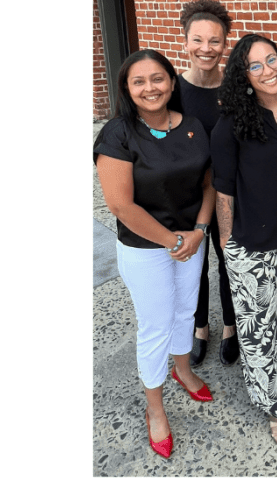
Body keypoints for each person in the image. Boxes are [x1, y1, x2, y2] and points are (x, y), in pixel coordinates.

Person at [94, 49, 216, 460]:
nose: (151, 88)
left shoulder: (194, 126)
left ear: (171, 81)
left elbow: (209, 185)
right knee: (155, 325)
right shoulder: (118, 134)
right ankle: (155, 408)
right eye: (139, 81)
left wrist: (199, 231)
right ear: (127, 90)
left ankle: (183, 370)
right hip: (147, 248)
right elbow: (120, 205)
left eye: (158, 78)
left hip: (190, 241)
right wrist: (172, 240)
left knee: (186, 311)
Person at [211, 33, 277, 450]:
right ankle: (275, 411)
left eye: (271, 60)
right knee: (261, 332)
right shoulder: (231, 124)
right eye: (254, 66)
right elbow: (223, 190)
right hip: (250, 243)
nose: (267, 70)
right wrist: (226, 243)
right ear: (243, 75)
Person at [175, 0, 240, 368]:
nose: (206, 48)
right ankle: (200, 326)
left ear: (224, 43)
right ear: (185, 41)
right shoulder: (173, 90)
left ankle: (230, 326)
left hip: (230, 194)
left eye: (214, 41)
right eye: (198, 40)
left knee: (228, 260)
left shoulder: (233, 88)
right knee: (192, 264)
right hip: (188, 196)